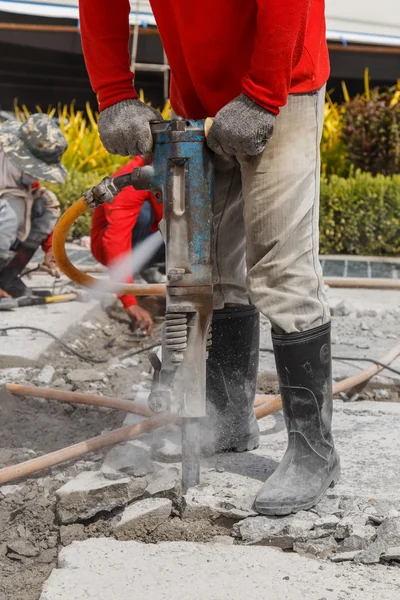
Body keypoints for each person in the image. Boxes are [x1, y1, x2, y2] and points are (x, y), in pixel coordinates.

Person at [78, 0, 340, 516]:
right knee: (208, 266)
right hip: (196, 94)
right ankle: (227, 419)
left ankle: (314, 453)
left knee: (280, 271)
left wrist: (263, 96)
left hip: (282, 83)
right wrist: (114, 95)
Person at [90, 156, 164, 334]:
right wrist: (129, 301)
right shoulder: (134, 177)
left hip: (157, 238)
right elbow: (116, 240)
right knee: (143, 215)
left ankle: (148, 269)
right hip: (108, 247)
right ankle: (135, 270)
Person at [0, 114, 67, 298]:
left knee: (46, 203)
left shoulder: (17, 174)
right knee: (10, 213)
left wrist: (50, 247)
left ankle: (7, 277)